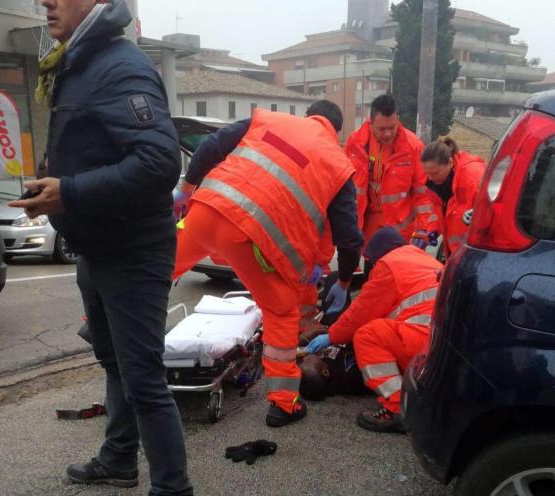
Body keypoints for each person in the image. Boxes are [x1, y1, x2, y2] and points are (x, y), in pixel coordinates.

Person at [10, 0, 193, 496]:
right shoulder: (78, 62)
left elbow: (161, 164)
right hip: (95, 244)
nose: (46, 1)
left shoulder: (120, 65)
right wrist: (55, 191)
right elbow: (90, 152)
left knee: (143, 379)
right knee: (112, 362)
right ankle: (117, 460)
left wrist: (69, 191)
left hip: (133, 250)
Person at [172, 100, 364, 427]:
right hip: (252, 240)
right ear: (336, 131)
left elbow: (211, 147)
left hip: (205, 210)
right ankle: (283, 404)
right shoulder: (337, 164)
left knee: (155, 269)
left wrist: (186, 190)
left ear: (308, 116)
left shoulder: (268, 120)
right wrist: (344, 282)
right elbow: (349, 239)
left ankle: (102, 318)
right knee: (281, 312)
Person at [305, 227, 443, 433]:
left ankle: (397, 408)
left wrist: (331, 336)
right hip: (444, 346)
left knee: (367, 336)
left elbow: (361, 312)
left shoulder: (389, 265)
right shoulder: (424, 260)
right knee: (384, 332)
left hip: (425, 347)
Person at [345, 94, 438, 249]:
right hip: (365, 226)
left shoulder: (413, 147)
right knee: (370, 271)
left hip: (400, 230)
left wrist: (424, 229)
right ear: (370, 122)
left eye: (392, 127)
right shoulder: (355, 143)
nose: (387, 133)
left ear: (398, 121)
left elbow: (424, 194)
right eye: (382, 129)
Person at [421, 137, 486, 257]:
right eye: (427, 173)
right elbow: (438, 210)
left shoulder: (473, 178)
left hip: (475, 254)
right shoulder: (435, 183)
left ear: (450, 163)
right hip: (455, 253)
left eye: (435, 173)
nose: (430, 178)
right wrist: (432, 230)